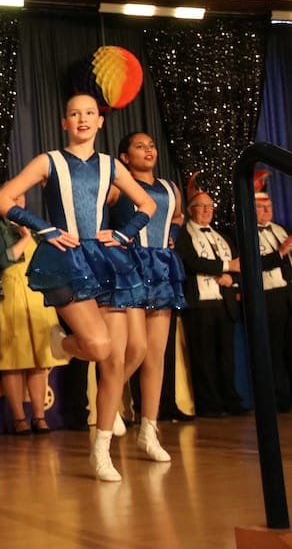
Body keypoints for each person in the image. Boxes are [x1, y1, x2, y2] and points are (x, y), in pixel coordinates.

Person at [0, 93, 156, 482]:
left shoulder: (111, 165)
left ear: (100, 121)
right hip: (68, 258)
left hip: (106, 259)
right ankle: (62, 343)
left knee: (115, 361)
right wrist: (44, 228)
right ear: (64, 122)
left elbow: (147, 205)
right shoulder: (49, 161)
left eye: (89, 113)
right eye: (74, 113)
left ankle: (102, 450)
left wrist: (124, 233)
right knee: (97, 347)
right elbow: (0, 200)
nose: (82, 118)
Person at [110, 132, 186, 461]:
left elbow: (177, 216)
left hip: (162, 265)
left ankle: (149, 430)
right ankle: (109, 401)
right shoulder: (117, 186)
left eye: (152, 145)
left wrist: (172, 236)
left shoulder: (170, 188)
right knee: (137, 347)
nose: (148, 150)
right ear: (125, 157)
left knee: (156, 354)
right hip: (130, 265)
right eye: (139, 147)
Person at [0, 193, 64, 434]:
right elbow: (3, 260)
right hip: (13, 294)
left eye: (20, 199)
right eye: (12, 199)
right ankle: (19, 418)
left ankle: (39, 416)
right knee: (13, 360)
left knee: (39, 361)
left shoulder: (38, 228)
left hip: (37, 296)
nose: (17, 202)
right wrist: (25, 237)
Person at [175, 173, 247, 417]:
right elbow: (191, 262)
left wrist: (232, 280)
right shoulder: (183, 235)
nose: (207, 211)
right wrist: (225, 267)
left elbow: (239, 265)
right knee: (203, 356)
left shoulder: (223, 237)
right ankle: (209, 404)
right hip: (200, 303)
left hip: (224, 303)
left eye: (210, 206)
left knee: (226, 356)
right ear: (190, 210)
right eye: (201, 206)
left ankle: (231, 399)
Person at [252, 170, 292, 412]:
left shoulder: (280, 229)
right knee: (275, 348)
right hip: (269, 294)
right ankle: (279, 397)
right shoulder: (247, 234)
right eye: (261, 207)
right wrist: (281, 252)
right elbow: (256, 263)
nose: (266, 211)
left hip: (288, 291)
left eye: (269, 207)